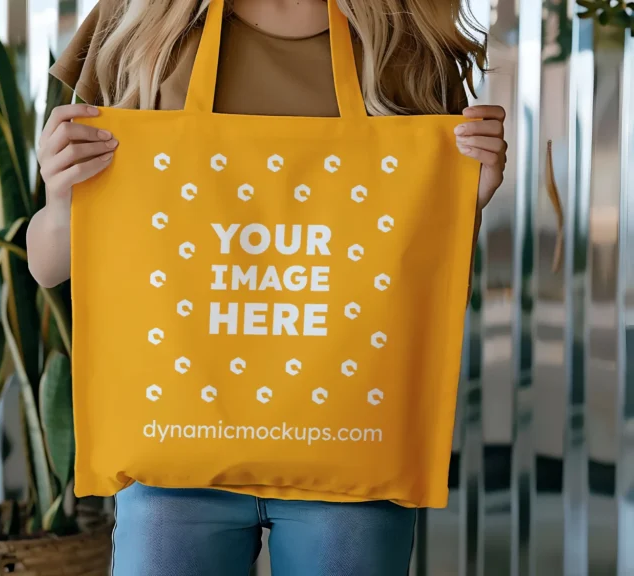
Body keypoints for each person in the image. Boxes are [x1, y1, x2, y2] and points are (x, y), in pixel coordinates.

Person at [27, 0, 507, 574]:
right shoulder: (140, 23)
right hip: (173, 463)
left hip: (348, 459)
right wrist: (61, 203)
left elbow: (414, 277)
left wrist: (466, 201)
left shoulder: (408, 37)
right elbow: (48, 266)